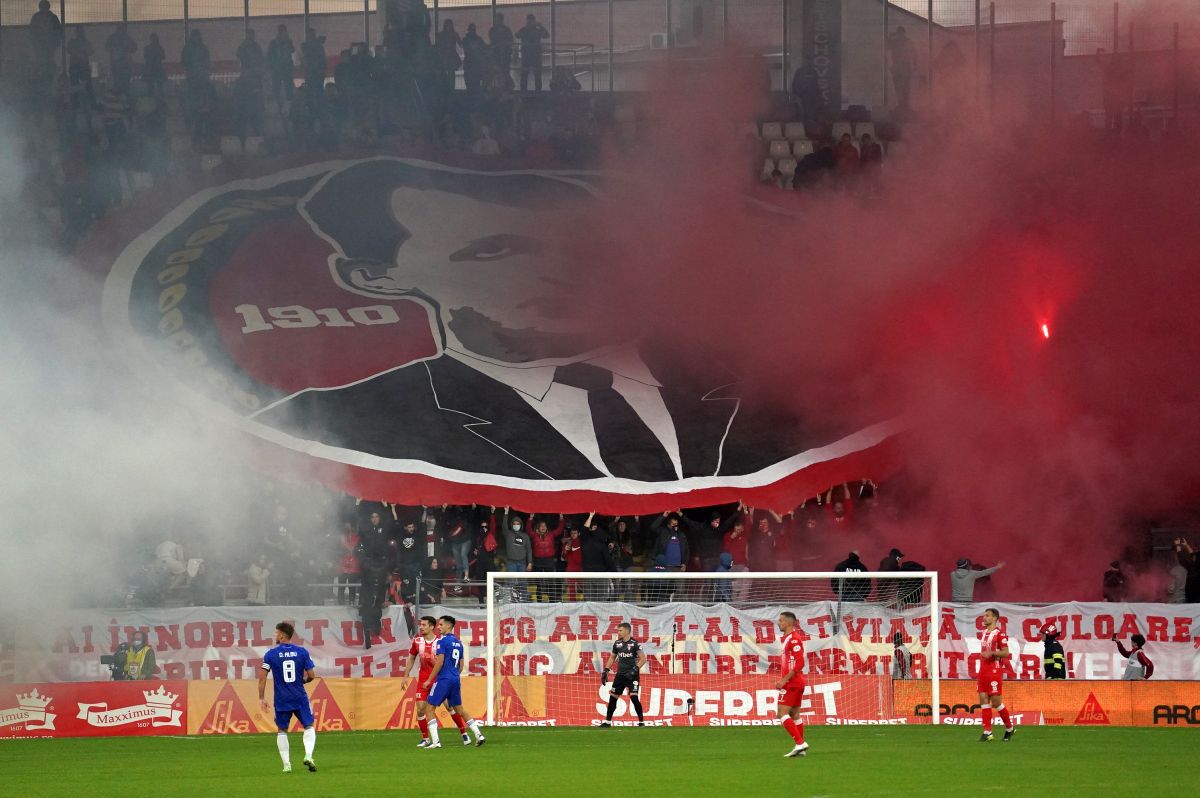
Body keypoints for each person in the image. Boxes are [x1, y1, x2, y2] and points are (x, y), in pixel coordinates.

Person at [258, 622, 317, 773]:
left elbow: (262, 677)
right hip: (299, 696)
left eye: (276, 632)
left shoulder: (270, 654)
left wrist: (261, 697)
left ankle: (287, 765)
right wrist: (304, 681)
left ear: (282, 635)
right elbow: (312, 675)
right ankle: (309, 756)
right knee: (309, 726)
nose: (274, 635)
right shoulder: (302, 652)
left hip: (282, 698)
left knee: (282, 730)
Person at [423, 615, 486, 746]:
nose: (438, 627)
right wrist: (453, 674)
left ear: (448, 626)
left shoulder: (442, 641)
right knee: (459, 709)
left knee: (429, 708)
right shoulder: (459, 643)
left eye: (441, 625)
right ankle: (478, 735)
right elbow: (461, 665)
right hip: (455, 679)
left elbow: (439, 662)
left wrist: (429, 680)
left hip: (444, 679)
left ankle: (436, 742)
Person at [410, 616, 471, 748]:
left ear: (432, 627)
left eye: (424, 625)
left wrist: (450, 676)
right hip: (423, 680)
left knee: (450, 707)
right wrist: (405, 675)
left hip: (439, 679)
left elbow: (448, 662)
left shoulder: (441, 641)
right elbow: (411, 658)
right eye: (420, 625)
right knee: (421, 709)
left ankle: (463, 733)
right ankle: (426, 738)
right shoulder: (417, 641)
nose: (421, 627)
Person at [976, 607, 1014, 742]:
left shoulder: (1000, 634)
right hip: (983, 670)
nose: (984, 617)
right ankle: (987, 732)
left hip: (994, 670)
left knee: (996, 702)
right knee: (983, 699)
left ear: (994, 618)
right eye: (984, 615)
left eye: (987, 615)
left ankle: (1009, 728)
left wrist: (992, 653)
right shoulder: (984, 632)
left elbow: (1006, 652)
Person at [775, 611, 809, 758]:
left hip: (792, 682)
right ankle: (800, 748)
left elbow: (800, 662)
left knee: (781, 713)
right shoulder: (786, 639)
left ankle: (800, 742)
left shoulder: (794, 639)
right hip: (797, 682)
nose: (778, 623)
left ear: (788, 623)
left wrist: (785, 679)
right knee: (795, 714)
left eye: (781, 621)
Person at [601, 622, 646, 726]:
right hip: (620, 675)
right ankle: (607, 722)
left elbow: (643, 659)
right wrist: (606, 670)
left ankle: (641, 722)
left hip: (632, 675)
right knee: (613, 697)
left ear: (627, 631)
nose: (618, 632)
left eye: (620, 630)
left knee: (634, 697)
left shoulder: (635, 644)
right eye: (618, 630)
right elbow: (612, 657)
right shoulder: (617, 643)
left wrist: (634, 670)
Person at [516, 14, 548, 92]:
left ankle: (537, 91)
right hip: (527, 56)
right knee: (525, 75)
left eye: (531, 21)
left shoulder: (537, 30)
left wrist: (541, 27)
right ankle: (524, 91)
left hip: (534, 56)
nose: (529, 23)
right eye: (528, 21)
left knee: (536, 75)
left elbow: (546, 35)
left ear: (534, 21)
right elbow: (517, 35)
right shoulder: (524, 30)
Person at [887, 26, 915, 112]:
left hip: (904, 67)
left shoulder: (907, 42)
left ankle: (904, 105)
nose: (900, 35)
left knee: (904, 87)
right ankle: (901, 105)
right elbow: (887, 46)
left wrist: (914, 65)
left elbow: (913, 54)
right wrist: (890, 36)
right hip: (898, 67)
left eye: (901, 33)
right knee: (898, 87)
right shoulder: (896, 42)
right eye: (899, 33)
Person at [104, 24, 137, 96]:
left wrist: (127, 48)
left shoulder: (127, 38)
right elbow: (107, 48)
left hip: (125, 65)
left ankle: (124, 103)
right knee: (118, 84)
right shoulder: (113, 38)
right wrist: (116, 48)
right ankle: (119, 103)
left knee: (125, 85)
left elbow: (134, 48)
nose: (123, 30)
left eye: (123, 29)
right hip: (117, 65)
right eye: (121, 28)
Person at [268, 24, 296, 104]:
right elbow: (270, 56)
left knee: (288, 88)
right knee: (276, 88)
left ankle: (289, 104)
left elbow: (292, 51)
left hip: (286, 69)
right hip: (277, 69)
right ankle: (277, 105)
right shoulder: (273, 43)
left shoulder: (288, 42)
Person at [462, 23, 487, 94]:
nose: (472, 31)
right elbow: (485, 48)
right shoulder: (467, 40)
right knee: (471, 84)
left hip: (474, 64)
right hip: (471, 64)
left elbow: (485, 48)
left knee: (474, 84)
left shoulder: (467, 40)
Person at [1172, 537, 1198, 602]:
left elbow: (1182, 559)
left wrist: (1178, 546)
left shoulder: (1194, 568)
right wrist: (1186, 545)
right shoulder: (1193, 566)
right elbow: (1193, 555)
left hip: (1194, 598)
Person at [489, 14, 514, 79]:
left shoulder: (504, 29)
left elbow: (511, 40)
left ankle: (504, 85)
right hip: (497, 54)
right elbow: (492, 40)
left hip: (504, 54)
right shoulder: (493, 30)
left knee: (504, 71)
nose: (498, 21)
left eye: (499, 19)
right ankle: (500, 86)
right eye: (498, 19)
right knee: (498, 71)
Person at [142, 34, 166, 98]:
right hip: (150, 68)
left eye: (155, 39)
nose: (154, 40)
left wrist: (156, 55)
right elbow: (145, 56)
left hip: (157, 68)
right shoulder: (148, 48)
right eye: (153, 39)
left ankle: (160, 99)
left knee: (159, 85)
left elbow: (163, 56)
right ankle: (150, 99)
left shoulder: (159, 48)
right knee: (150, 85)